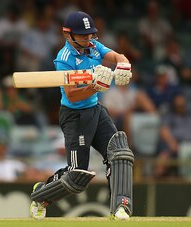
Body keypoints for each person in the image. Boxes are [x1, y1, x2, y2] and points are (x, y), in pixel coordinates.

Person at [29, 11, 134, 220]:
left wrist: (123, 63)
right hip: (74, 116)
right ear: (68, 35)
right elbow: (71, 95)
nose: (88, 39)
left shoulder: (93, 46)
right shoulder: (64, 59)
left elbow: (115, 56)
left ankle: (121, 207)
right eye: (83, 35)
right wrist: (95, 86)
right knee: (76, 176)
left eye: (90, 34)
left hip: (95, 110)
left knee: (120, 153)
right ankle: (41, 194)